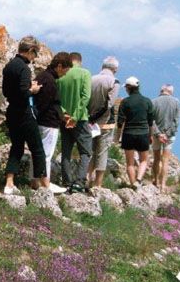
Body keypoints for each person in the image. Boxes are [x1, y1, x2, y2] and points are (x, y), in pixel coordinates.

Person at [2, 36, 48, 195]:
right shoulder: (24, 68)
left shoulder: (8, 66)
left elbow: (6, 92)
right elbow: (23, 93)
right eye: (35, 54)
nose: (34, 58)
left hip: (11, 111)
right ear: (29, 51)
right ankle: (43, 184)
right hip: (24, 112)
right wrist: (33, 90)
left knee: (17, 147)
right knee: (38, 148)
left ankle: (9, 182)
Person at [32, 51, 73, 194]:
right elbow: (46, 104)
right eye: (66, 70)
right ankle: (45, 184)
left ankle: (36, 181)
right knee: (46, 155)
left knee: (38, 153)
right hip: (48, 123)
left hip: (41, 121)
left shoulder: (42, 76)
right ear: (60, 66)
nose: (66, 74)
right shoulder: (50, 81)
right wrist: (59, 116)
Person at [57, 52, 92, 193]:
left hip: (63, 119)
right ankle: (79, 182)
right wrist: (75, 116)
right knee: (85, 151)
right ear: (80, 61)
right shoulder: (85, 73)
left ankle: (66, 181)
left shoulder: (60, 76)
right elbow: (86, 96)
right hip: (80, 119)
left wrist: (66, 115)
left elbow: (56, 99)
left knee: (66, 151)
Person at [114, 76, 154, 188]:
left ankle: (132, 184)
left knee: (130, 163)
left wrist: (117, 137)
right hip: (143, 134)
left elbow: (120, 122)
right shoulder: (147, 101)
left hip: (128, 135)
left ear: (128, 88)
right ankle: (138, 180)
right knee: (144, 160)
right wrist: (150, 136)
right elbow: (150, 122)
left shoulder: (125, 102)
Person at [87, 56, 120, 188]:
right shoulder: (114, 82)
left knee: (90, 151)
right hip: (105, 122)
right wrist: (96, 116)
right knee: (102, 152)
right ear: (115, 69)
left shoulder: (91, 79)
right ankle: (98, 183)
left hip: (90, 122)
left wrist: (91, 117)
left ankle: (87, 177)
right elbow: (109, 104)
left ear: (102, 66)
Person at [151, 84, 180, 193]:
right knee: (165, 161)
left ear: (161, 90)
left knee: (156, 159)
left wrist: (159, 134)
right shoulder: (176, 102)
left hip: (156, 135)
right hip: (169, 136)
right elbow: (176, 121)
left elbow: (151, 120)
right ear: (171, 92)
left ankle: (155, 181)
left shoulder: (154, 101)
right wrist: (167, 134)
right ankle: (163, 185)